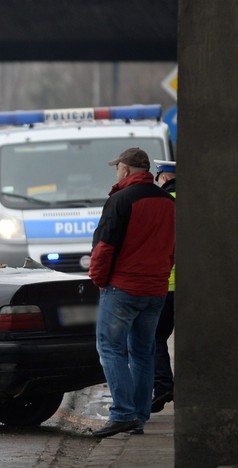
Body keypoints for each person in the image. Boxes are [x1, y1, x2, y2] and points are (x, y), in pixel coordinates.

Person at [89, 147, 175, 438]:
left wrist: (99, 280)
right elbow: (173, 248)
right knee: (143, 352)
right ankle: (138, 417)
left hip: (123, 288)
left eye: (117, 168)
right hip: (156, 289)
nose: (117, 172)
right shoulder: (168, 202)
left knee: (110, 348)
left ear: (125, 169)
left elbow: (104, 247)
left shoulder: (120, 200)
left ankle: (123, 414)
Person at [151, 159, 177, 413]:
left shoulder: (162, 203)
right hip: (196, 288)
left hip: (166, 283)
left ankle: (163, 386)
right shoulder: (197, 202)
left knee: (155, 337)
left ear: (165, 178)